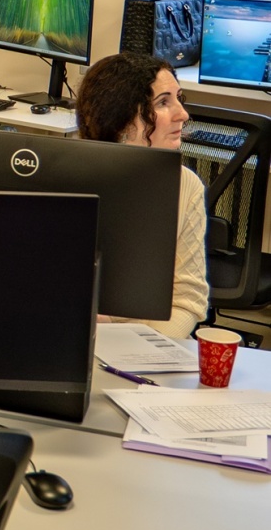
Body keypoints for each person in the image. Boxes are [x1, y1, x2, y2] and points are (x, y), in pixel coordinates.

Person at [77, 52, 208, 340]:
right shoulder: (67, 176)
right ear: (121, 118)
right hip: (74, 340)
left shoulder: (185, 186)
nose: (183, 114)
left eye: (179, 99)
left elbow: (187, 302)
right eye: (163, 102)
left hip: (151, 344)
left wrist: (146, 348)